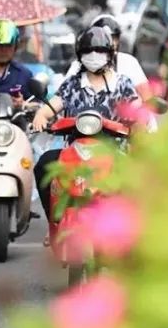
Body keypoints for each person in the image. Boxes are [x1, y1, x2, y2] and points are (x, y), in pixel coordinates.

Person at [32, 26, 150, 235]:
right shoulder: (73, 84)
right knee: (44, 165)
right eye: (88, 51)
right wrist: (41, 117)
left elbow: (136, 113)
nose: (94, 56)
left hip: (113, 151)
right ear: (80, 55)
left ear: (109, 54)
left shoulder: (122, 84)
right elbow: (51, 107)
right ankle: (55, 221)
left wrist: (138, 128)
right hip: (73, 153)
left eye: (99, 51)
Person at [65, 14, 152, 103]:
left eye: (113, 38)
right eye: (103, 38)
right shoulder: (78, 65)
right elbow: (63, 96)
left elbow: (147, 97)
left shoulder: (129, 62)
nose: (110, 43)